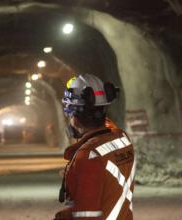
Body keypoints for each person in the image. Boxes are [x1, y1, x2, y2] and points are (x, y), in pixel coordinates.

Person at [55, 74, 135, 220]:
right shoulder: (122, 139)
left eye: (69, 112)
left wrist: (61, 217)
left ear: (75, 115)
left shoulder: (88, 155)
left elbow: (86, 215)